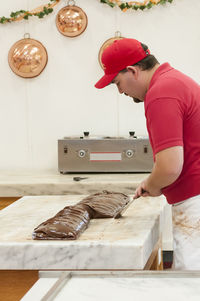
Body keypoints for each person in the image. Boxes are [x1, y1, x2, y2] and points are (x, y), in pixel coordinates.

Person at [94, 38, 200, 270]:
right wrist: (153, 182)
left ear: (132, 70)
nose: (120, 90)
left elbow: (170, 166)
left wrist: (153, 183)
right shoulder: (175, 81)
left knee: (191, 284)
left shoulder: (161, 93)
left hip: (195, 203)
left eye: (117, 82)